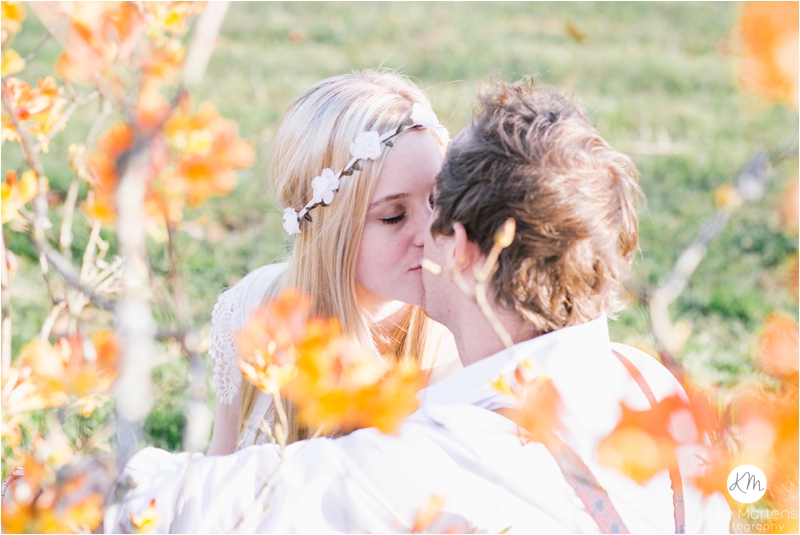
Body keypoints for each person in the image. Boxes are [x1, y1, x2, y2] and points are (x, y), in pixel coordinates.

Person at [105, 79, 730, 533]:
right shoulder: (655, 388)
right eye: (395, 213)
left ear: (459, 249)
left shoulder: (426, 457)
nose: (420, 234)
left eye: (436, 208)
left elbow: (177, 506)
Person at [206, 69, 460, 454]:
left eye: (438, 199)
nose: (432, 232)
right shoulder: (252, 314)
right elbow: (219, 471)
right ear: (330, 229)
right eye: (393, 216)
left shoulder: (460, 335)